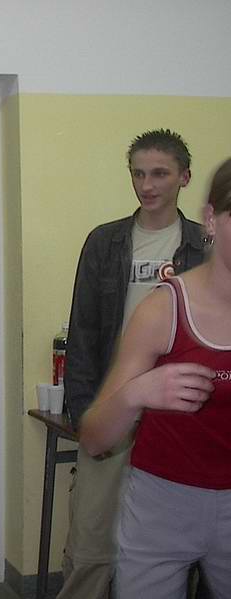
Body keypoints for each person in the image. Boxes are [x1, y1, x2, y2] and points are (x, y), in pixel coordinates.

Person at [58, 129, 205, 599]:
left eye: (159, 173)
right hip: (113, 407)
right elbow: (83, 332)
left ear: (184, 177)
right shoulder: (105, 242)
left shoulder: (204, 246)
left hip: (179, 417)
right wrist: (84, 413)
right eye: (138, 174)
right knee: (90, 547)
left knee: (171, 549)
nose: (147, 185)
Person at [78, 157, 231, 598]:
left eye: (159, 173)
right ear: (212, 219)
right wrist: (137, 393)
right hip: (163, 501)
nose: (147, 184)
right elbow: (94, 439)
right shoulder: (163, 308)